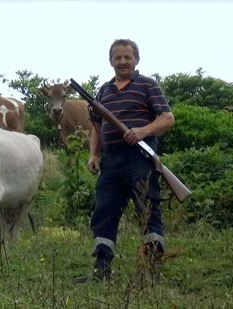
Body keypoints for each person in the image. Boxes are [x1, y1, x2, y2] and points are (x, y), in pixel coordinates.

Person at [74, 39, 175, 283]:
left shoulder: (148, 86)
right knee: (104, 212)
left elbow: (168, 118)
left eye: (127, 57)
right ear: (111, 61)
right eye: (118, 58)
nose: (122, 62)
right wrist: (93, 155)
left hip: (140, 159)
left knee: (148, 212)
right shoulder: (103, 91)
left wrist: (141, 132)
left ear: (136, 60)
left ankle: (152, 273)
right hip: (111, 161)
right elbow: (97, 126)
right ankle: (101, 272)